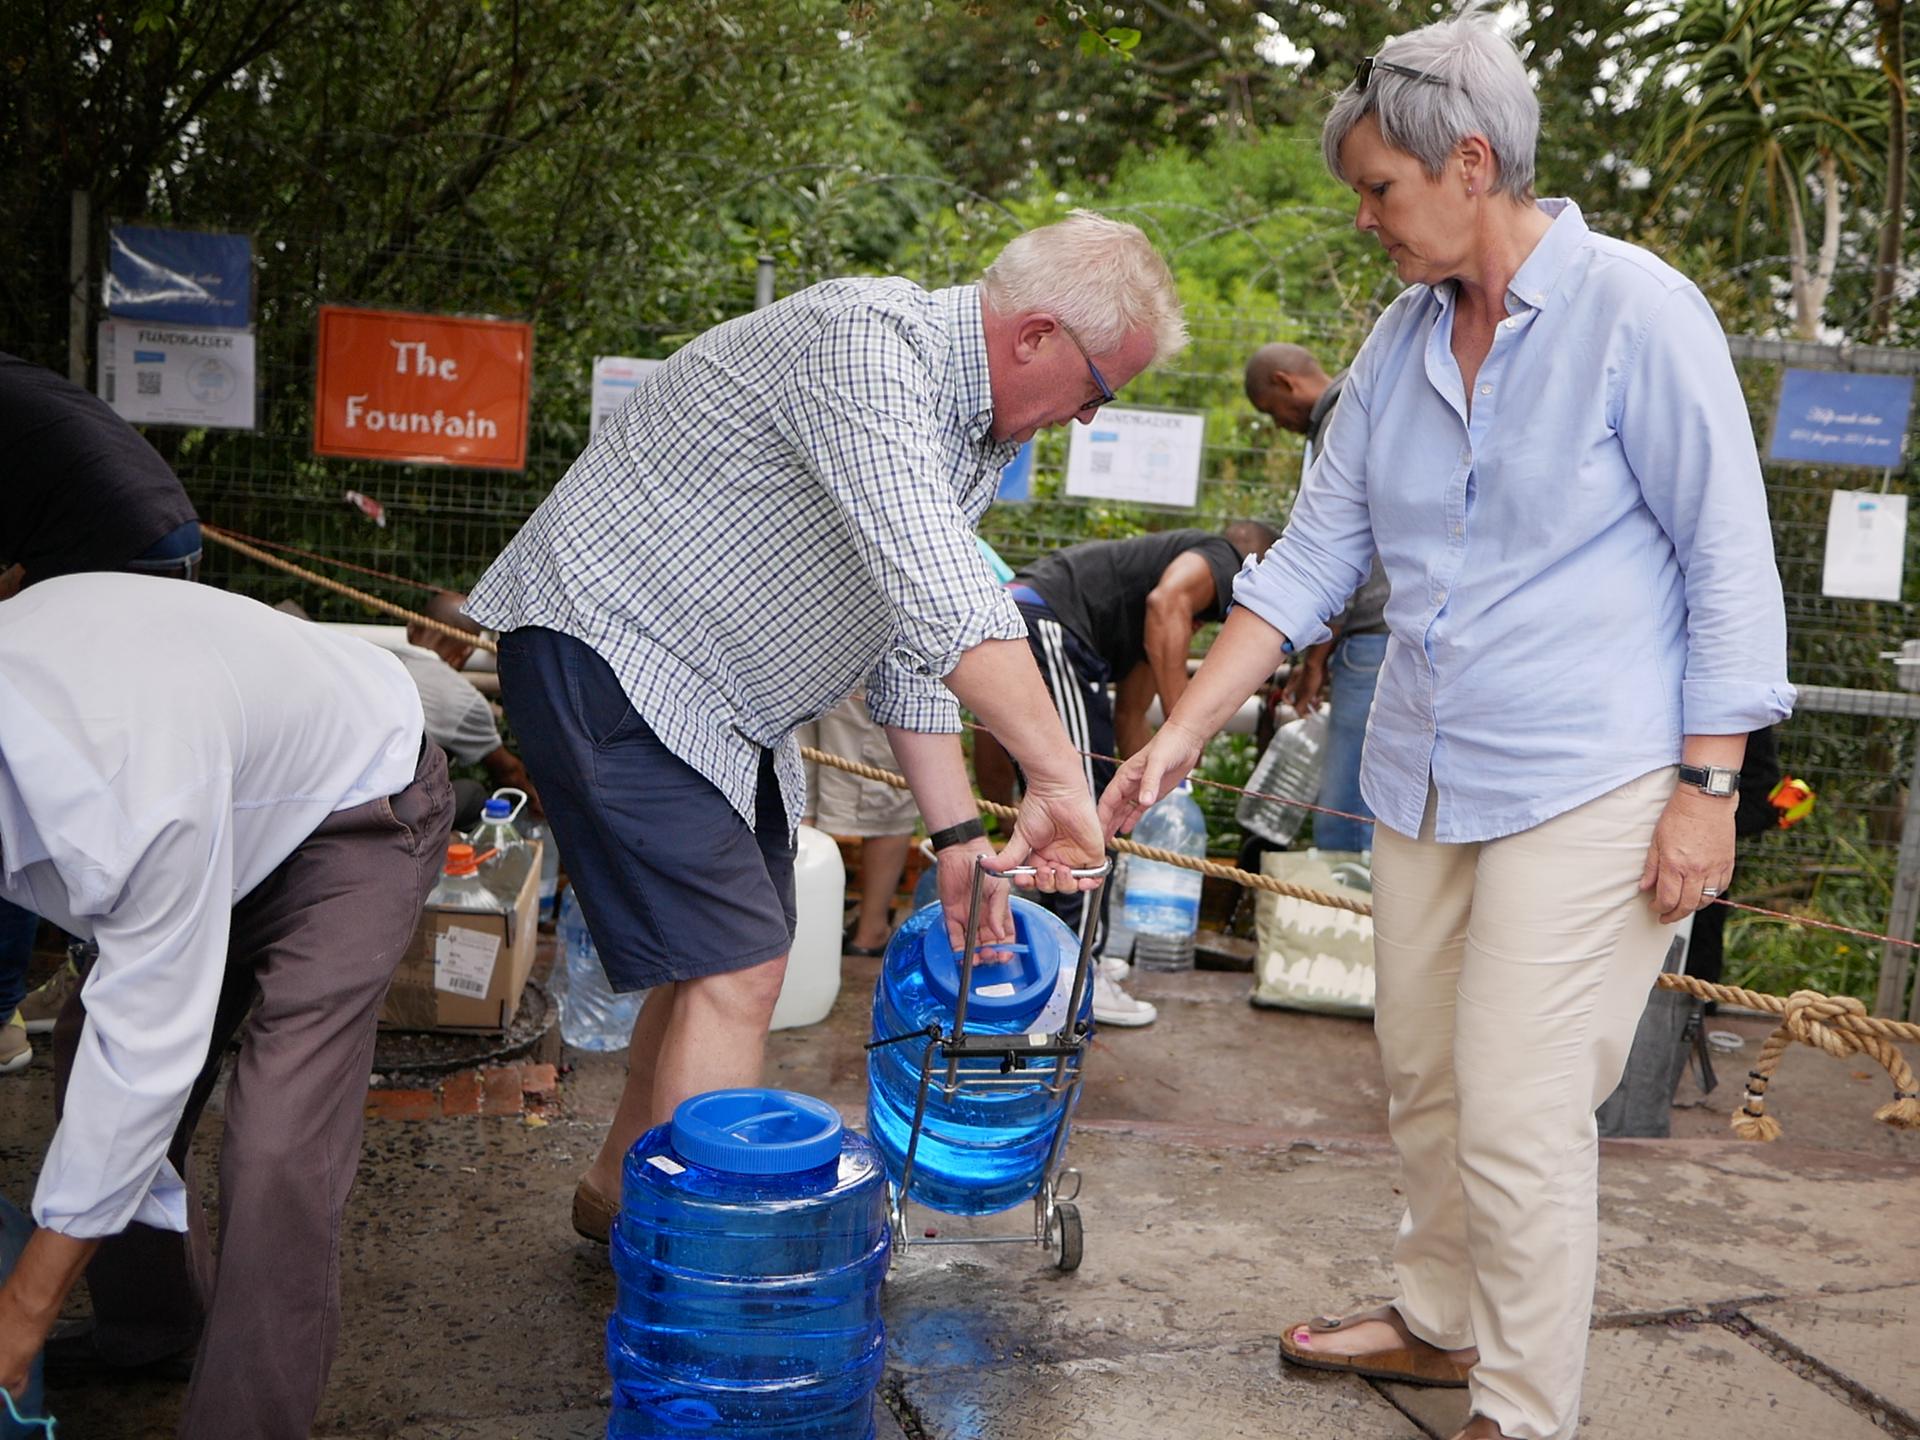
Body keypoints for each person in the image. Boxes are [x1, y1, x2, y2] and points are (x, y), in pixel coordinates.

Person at [1098, 10, 1792, 1439]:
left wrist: (1710, 788)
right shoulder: (1402, 340)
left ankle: (1525, 1410)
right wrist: (1179, 735)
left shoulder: (1636, 312)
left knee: (1522, 1102)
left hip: (1595, 776)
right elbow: (1302, 567)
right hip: (1423, 768)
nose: (1365, 219)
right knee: (1421, 1069)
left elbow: (1728, 556)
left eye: (1381, 191)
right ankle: (1437, 1324)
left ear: (1471, 165)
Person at [464, 210, 1187, 1243]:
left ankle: (624, 1200)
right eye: (1097, 390)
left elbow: (912, 638)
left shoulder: (968, 438)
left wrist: (957, 841)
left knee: (721, 952)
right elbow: (948, 601)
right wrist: (1061, 779)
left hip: (720, 702)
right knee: (738, 965)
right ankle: (696, 1264)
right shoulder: (867, 344)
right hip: (615, 647)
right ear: (1036, 337)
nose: (1083, 417)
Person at [0, 574, 452, 1438]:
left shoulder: (122, 790)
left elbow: (145, 1062)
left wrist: (20, 1314)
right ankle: (155, 1327)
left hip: (353, 807)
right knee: (81, 1048)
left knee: (280, 1140)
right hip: (225, 785)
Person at [976, 522, 1282, 1025]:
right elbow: (1168, 605)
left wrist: (1150, 794)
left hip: (1023, 618)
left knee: (1093, 805)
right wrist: (1188, 723)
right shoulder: (1225, 559)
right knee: (1080, 810)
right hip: (1044, 626)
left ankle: (1063, 954)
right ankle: (1081, 974)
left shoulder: (1141, 617)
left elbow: (1129, 720)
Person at [0, 350, 205, 1076]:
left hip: (112, 549)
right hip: (169, 534)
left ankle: (10, 1013)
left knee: (20, 785)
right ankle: (104, 963)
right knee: (96, 773)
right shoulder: (21, 378)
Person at [1247, 343, 1388, 853]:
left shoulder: (1341, 416)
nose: (1281, 424)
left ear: (1286, 383)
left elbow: (1339, 551)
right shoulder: (1374, 392)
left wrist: (1316, 660)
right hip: (1406, 630)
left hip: (1373, 635)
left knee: (1346, 810)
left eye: (1272, 411)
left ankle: (1344, 925)